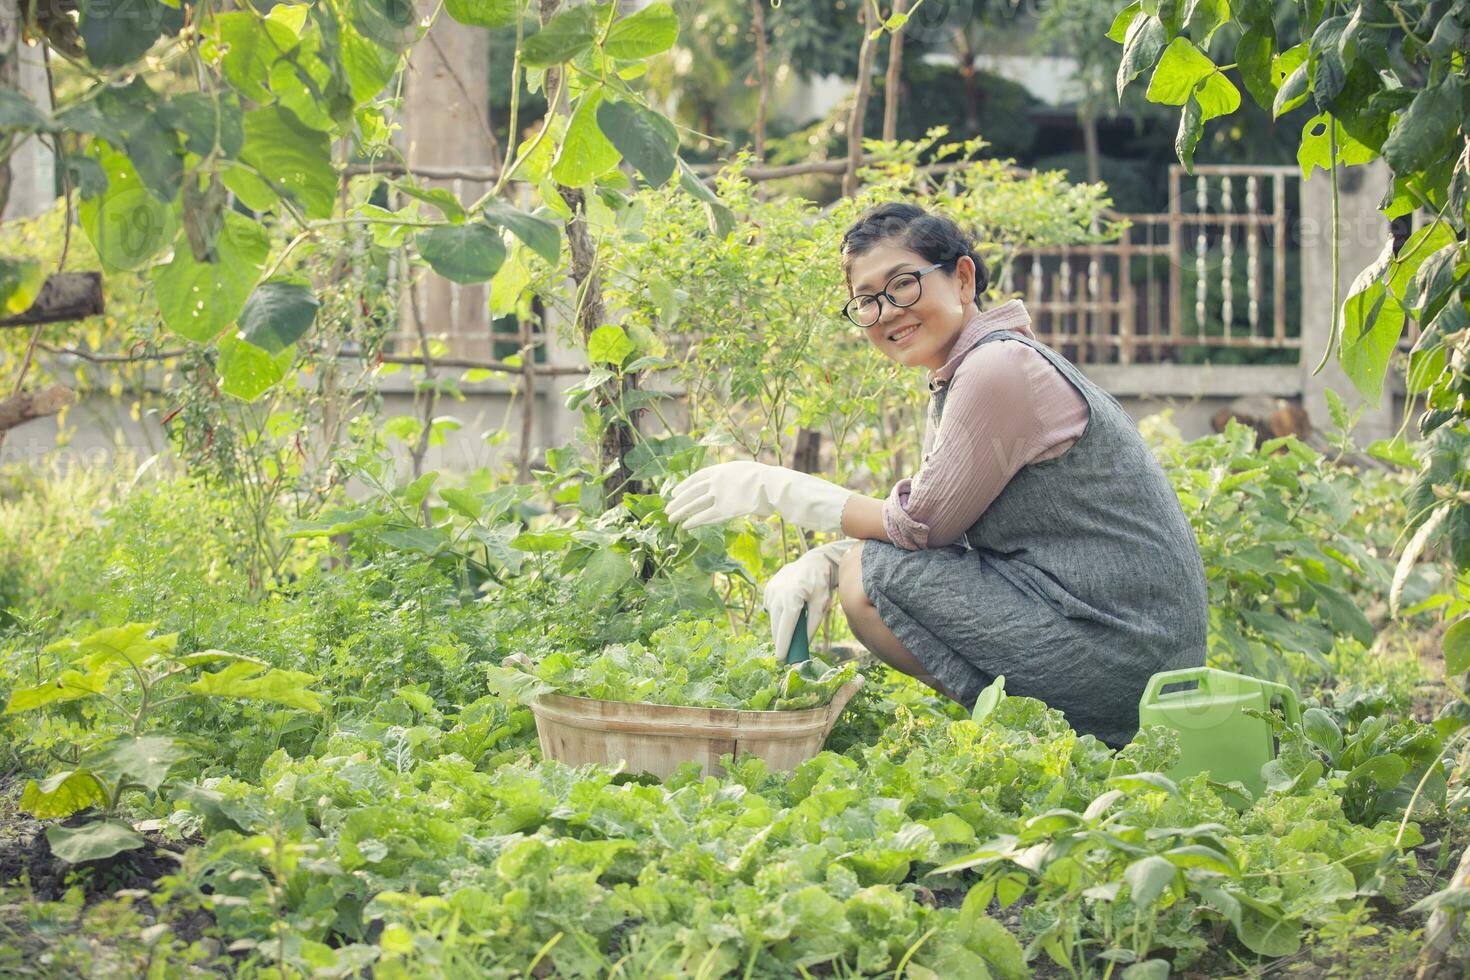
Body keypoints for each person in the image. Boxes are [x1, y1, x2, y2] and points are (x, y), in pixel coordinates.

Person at [666, 202, 1207, 748]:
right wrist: (829, 558)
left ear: (963, 277)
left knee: (870, 578)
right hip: (1119, 645)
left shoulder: (997, 368)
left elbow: (921, 526)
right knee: (864, 567)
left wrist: (775, 489)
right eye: (866, 302)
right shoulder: (975, 367)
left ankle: (1051, 738)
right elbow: (932, 521)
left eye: (902, 284)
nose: (887, 312)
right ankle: (1037, 737)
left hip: (1123, 655)